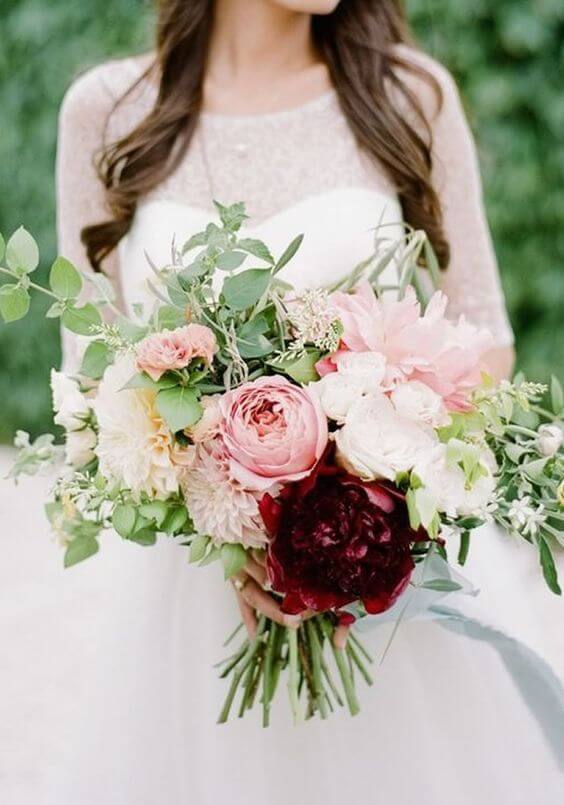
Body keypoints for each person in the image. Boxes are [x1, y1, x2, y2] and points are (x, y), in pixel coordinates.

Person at [52, 1, 563, 802]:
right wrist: (237, 518)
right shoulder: (109, 112)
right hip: (197, 588)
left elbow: (484, 338)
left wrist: (365, 502)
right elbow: (94, 378)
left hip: (383, 571)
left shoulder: (407, 94)